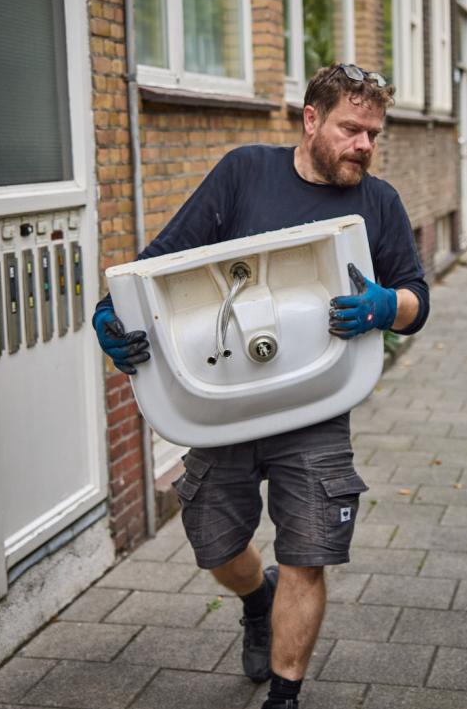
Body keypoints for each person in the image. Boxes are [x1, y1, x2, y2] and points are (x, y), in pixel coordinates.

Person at [90, 63, 430, 709]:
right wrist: (110, 316)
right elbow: (158, 263)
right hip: (225, 403)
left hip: (317, 402)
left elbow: (419, 295)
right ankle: (255, 597)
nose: (364, 145)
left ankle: (284, 694)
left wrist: (389, 307)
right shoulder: (245, 172)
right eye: (351, 129)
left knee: (309, 551)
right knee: (216, 542)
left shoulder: (379, 202)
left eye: (373, 134)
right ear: (310, 119)